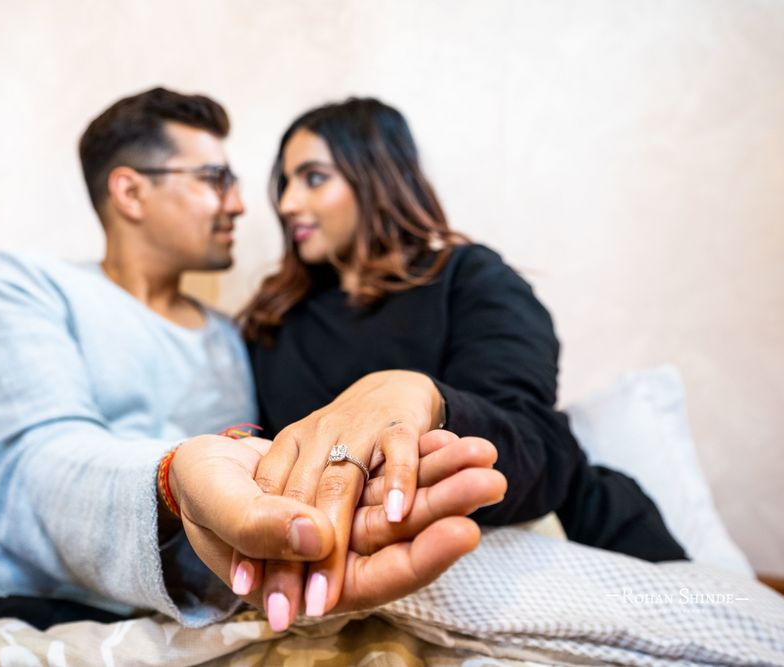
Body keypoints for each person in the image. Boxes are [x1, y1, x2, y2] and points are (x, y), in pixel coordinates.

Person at [0, 88, 505, 631]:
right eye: (214, 178)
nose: (241, 203)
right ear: (130, 190)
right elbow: (36, 464)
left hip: (142, 614)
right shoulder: (20, 285)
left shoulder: (237, 339)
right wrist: (172, 478)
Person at [237, 97, 687, 623]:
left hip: (587, 538)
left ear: (377, 175)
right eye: (284, 183)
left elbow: (538, 445)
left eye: (313, 178)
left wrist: (421, 396)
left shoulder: (471, 279)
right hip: (378, 571)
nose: (288, 203)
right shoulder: (276, 322)